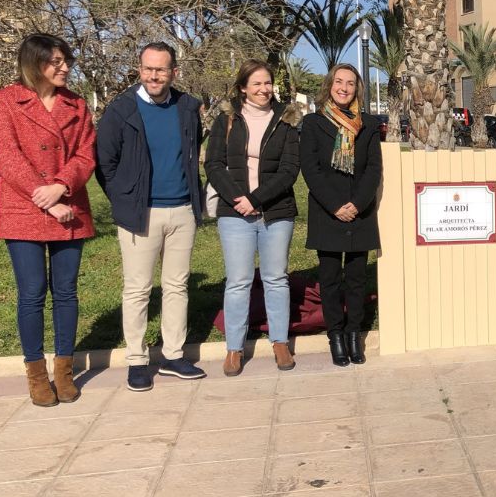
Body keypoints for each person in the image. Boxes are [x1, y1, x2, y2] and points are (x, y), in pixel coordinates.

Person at [0, 34, 96, 407]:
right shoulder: (5, 101)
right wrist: (45, 198)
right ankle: (36, 375)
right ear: (35, 64)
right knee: (32, 292)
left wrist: (62, 186)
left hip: (69, 206)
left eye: (67, 61)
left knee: (66, 291)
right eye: (56, 61)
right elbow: (8, 156)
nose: (65, 67)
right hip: (24, 208)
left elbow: (86, 154)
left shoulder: (76, 104)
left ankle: (63, 371)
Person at [97, 42, 207, 391]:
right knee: (138, 289)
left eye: (160, 69)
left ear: (174, 72)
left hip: (183, 211)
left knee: (177, 286)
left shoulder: (187, 107)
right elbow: (105, 162)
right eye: (148, 69)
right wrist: (124, 198)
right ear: (139, 69)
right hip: (141, 213)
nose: (153, 76)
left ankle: (173, 355)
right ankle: (137, 360)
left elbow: (192, 150)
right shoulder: (122, 109)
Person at [204, 59, 301, 377]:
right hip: (235, 214)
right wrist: (239, 199)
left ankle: (280, 342)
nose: (264, 89)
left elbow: (289, 170)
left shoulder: (286, 119)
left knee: (276, 279)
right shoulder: (226, 119)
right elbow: (214, 164)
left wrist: (256, 199)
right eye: (256, 83)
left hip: (276, 212)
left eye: (268, 82)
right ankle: (234, 347)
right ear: (243, 87)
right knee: (238, 282)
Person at [300, 64, 381, 366]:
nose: (344, 88)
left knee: (357, 279)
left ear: (357, 88)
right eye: (339, 82)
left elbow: (373, 169)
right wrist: (335, 206)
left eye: (350, 83)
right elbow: (310, 168)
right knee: (330, 278)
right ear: (329, 85)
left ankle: (353, 333)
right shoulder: (313, 123)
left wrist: (357, 204)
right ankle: (335, 334)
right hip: (328, 211)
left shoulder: (369, 124)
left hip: (360, 212)